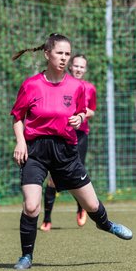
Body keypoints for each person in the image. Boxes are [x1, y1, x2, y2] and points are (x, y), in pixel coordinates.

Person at [10, 33, 132, 271]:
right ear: (47, 54)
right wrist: (20, 142)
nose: (64, 58)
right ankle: (26, 256)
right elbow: (18, 116)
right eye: (59, 53)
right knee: (31, 206)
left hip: (65, 151)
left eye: (67, 53)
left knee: (93, 206)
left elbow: (79, 113)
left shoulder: (77, 87)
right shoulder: (31, 85)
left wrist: (78, 119)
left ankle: (106, 225)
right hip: (35, 150)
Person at [40, 54, 96, 231]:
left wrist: (80, 114)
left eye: (82, 66)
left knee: (76, 172)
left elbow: (92, 111)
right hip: (60, 135)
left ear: (85, 69)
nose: (79, 69)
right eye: (76, 65)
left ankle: (81, 207)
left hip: (80, 136)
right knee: (52, 178)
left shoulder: (89, 88)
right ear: (71, 67)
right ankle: (47, 219)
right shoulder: (63, 84)